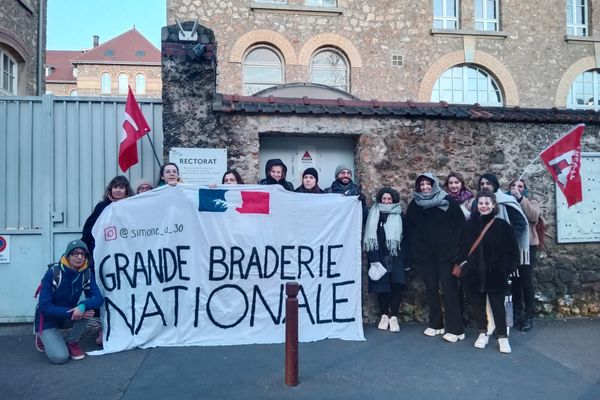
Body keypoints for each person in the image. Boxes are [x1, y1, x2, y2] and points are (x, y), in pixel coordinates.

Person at [453, 192, 519, 354]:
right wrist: (464, 265)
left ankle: (502, 337)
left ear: (493, 205)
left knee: (498, 307)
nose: (484, 206)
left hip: (495, 274)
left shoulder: (502, 226)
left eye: (487, 203)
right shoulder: (468, 226)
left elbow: (512, 251)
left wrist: (504, 269)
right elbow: (459, 248)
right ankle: (483, 333)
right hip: (473, 274)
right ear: (477, 205)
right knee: (477, 306)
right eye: (481, 203)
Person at [405, 173, 466, 342]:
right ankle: (436, 324)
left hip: (447, 255)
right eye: (421, 184)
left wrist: (456, 251)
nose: (425, 187)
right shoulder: (414, 206)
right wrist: (418, 251)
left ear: (434, 185)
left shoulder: (448, 203)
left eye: (428, 184)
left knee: (449, 289)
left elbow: (460, 227)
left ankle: (456, 329)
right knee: (431, 289)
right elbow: (410, 230)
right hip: (426, 256)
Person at [34, 240, 104, 363]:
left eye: (83, 254)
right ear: (68, 256)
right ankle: (41, 336)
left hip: (67, 316)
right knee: (60, 357)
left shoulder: (86, 273)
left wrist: (83, 306)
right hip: (47, 320)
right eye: (75, 253)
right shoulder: (54, 273)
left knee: (88, 309)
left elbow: (98, 298)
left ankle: (72, 342)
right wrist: (73, 312)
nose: (79, 257)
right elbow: (44, 307)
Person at [364, 187, 405, 332]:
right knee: (382, 288)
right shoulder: (373, 214)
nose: (386, 201)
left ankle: (393, 316)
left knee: (396, 286)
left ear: (393, 200)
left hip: (396, 257)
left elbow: (406, 238)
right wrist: (374, 258)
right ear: (380, 199)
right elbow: (370, 238)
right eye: (384, 199)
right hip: (379, 256)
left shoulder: (400, 215)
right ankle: (384, 315)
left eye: (389, 199)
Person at [507, 178, 542, 332]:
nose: (517, 188)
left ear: (524, 189)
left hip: (527, 247)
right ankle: (515, 312)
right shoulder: (506, 201)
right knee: (513, 281)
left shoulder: (531, 201)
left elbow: (533, 216)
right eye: (514, 186)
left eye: (520, 186)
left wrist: (520, 199)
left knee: (525, 281)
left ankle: (529, 316)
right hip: (512, 246)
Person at [81, 175, 133, 260]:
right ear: (110, 189)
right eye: (115, 187)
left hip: (125, 247)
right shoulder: (102, 206)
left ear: (126, 190)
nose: (118, 190)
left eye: (121, 187)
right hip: (104, 247)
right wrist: (84, 245)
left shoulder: (131, 205)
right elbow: (90, 227)